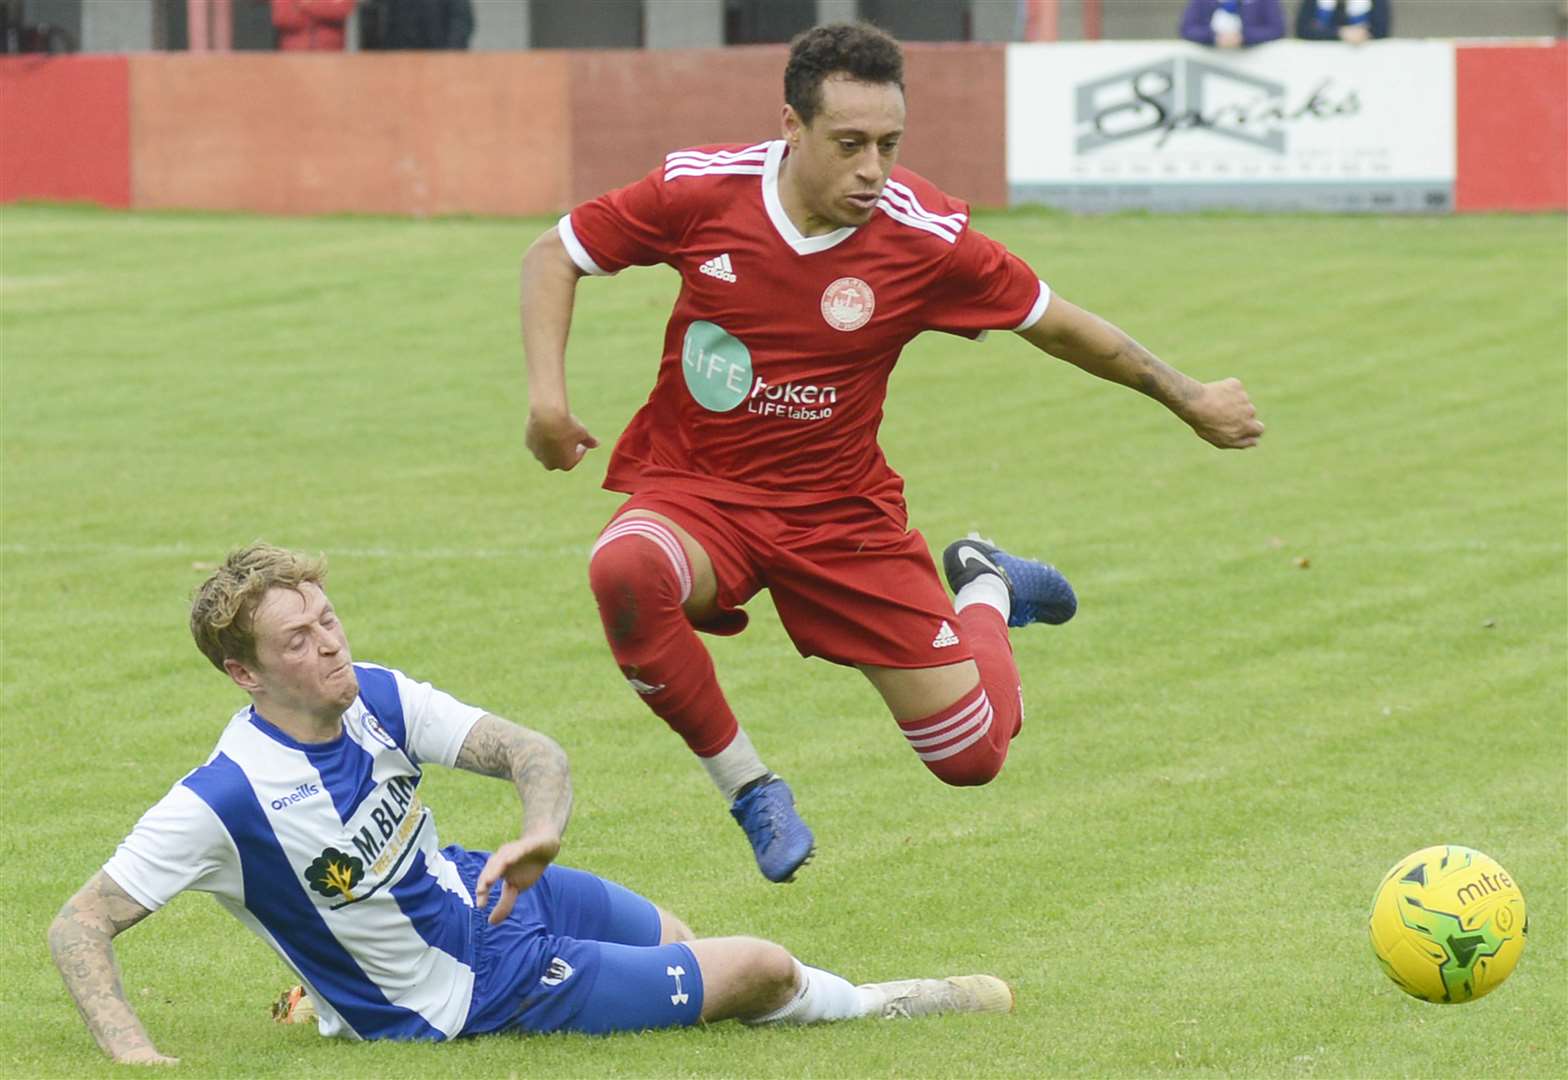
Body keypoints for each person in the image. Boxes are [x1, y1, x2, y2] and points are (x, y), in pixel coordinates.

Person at [520, 23, 1263, 885]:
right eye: (850, 145)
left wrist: (1191, 397)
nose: (873, 169)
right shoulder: (703, 190)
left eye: (888, 144)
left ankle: (985, 585)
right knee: (623, 569)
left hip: (841, 521)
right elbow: (557, 252)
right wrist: (547, 399)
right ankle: (752, 788)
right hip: (700, 495)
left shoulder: (923, 237)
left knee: (973, 757)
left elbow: (1059, 326)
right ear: (791, 129)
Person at [46, 544, 1013, 1064]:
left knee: (679, 942)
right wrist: (134, 1055)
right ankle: (885, 1005)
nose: (330, 645)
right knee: (758, 970)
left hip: (489, 892)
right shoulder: (224, 799)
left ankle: (328, 999)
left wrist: (539, 831)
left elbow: (529, 750)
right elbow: (80, 923)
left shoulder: (374, 696)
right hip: (466, 993)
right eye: (296, 640)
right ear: (243, 676)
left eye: (328, 619)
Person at [1179, 0, 1285, 47]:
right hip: (1211, 66)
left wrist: (1244, 37)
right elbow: (1187, 29)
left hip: (1257, 66)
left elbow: (1277, 30)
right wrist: (1214, 37)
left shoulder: (1264, 2)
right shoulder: (1202, 2)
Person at [268, 0, 353, 51]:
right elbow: (283, 18)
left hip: (330, 55)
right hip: (293, 55)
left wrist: (305, 4)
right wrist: (320, 7)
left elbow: (341, 10)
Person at [1294, 0, 1391, 42]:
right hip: (1321, 60)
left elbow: (1382, 31)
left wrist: (1361, 34)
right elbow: (1302, 30)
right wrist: (1339, 33)